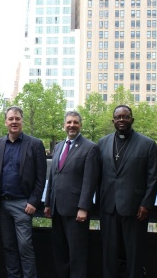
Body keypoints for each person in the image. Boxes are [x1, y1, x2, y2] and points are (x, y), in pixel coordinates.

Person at [98, 105, 157, 278]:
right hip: (108, 207)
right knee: (109, 253)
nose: (122, 120)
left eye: (125, 117)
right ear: (113, 121)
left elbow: (153, 178)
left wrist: (146, 204)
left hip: (135, 208)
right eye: (118, 117)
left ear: (132, 119)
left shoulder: (147, 144)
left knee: (134, 253)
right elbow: (97, 175)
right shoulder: (103, 143)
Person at [0, 106, 47, 278]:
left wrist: (33, 201)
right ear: (5, 122)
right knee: (8, 247)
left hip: (23, 204)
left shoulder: (35, 144)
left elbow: (41, 176)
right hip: (3, 205)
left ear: (22, 121)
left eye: (17, 118)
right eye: (11, 119)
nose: (14, 122)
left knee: (25, 247)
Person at [44, 111, 100, 277]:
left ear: (80, 125)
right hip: (56, 208)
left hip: (76, 211)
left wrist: (83, 207)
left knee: (77, 255)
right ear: (64, 125)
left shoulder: (90, 148)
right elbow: (53, 177)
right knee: (60, 253)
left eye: (75, 122)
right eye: (69, 122)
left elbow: (90, 181)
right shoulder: (59, 146)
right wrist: (48, 203)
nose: (72, 125)